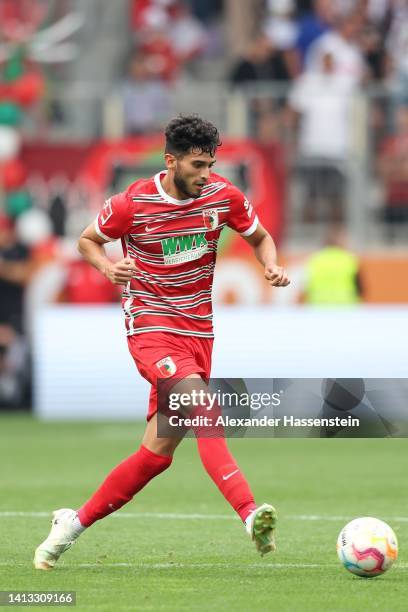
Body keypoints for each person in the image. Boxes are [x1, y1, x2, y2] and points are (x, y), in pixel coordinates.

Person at [33, 114, 290, 570]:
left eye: (210, 164)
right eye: (196, 165)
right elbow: (88, 240)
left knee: (156, 456)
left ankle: (69, 526)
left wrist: (269, 265)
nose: (205, 174)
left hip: (199, 335)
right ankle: (251, 514)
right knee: (205, 407)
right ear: (170, 160)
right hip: (151, 329)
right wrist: (109, 268)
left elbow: (261, 237)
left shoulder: (223, 197)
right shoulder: (132, 204)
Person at [301, 224, 363, 304]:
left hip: (318, 309)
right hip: (345, 309)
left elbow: (305, 286)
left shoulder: (315, 259)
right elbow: (360, 288)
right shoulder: (349, 259)